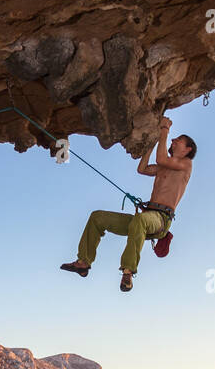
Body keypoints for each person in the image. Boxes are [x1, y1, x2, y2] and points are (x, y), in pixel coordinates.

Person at [60, 116, 196, 292]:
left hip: (161, 220)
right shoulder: (165, 167)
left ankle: (128, 271)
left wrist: (164, 129)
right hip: (147, 216)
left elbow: (162, 158)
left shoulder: (186, 164)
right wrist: (153, 142)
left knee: (140, 221)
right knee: (97, 217)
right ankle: (83, 262)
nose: (173, 141)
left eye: (178, 141)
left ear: (188, 149)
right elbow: (142, 169)